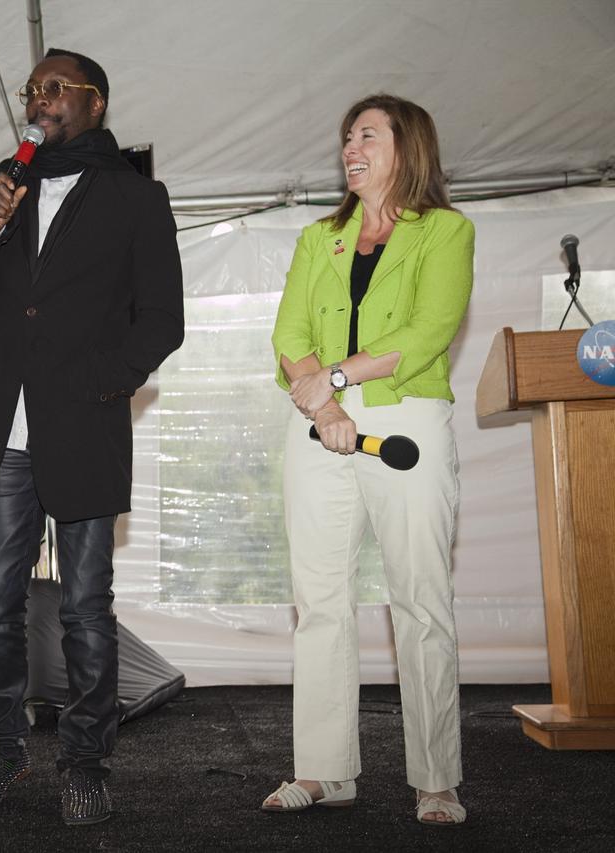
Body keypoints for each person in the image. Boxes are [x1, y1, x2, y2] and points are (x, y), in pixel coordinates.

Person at [0, 48, 184, 826]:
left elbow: (163, 322)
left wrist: (102, 385)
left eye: (53, 89)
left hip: (85, 423)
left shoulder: (136, 198)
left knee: (85, 605)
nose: (37, 101)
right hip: (5, 427)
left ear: (95, 102)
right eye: (30, 91)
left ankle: (83, 760)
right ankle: (2, 748)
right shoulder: (4, 188)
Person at [265, 94, 473, 826]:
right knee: (318, 601)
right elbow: (289, 331)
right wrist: (322, 406)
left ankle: (437, 777)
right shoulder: (318, 237)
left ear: (407, 147)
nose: (351, 147)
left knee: (420, 600)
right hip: (317, 421)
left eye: (368, 135)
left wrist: (342, 378)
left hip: (407, 417)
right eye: (347, 136)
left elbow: (429, 330)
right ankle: (326, 771)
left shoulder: (445, 231)